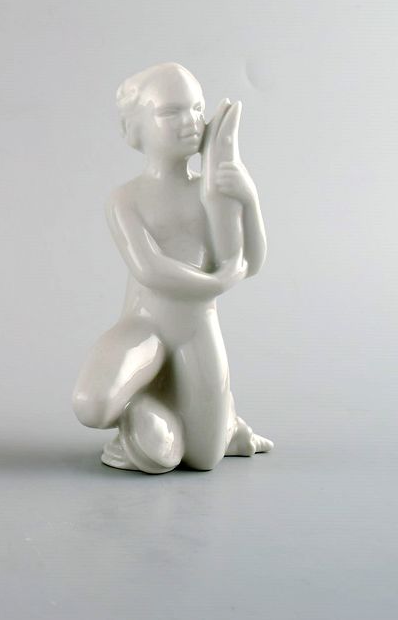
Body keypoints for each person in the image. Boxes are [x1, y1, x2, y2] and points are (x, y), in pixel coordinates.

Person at [72, 63, 272, 473]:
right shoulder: (126, 199)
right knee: (92, 405)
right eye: (170, 112)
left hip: (197, 327)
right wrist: (219, 280)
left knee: (204, 458)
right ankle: (143, 410)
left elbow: (250, 262)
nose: (191, 122)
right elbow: (151, 269)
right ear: (134, 130)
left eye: (197, 109)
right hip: (145, 327)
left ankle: (200, 422)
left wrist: (248, 200)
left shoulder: (210, 190)